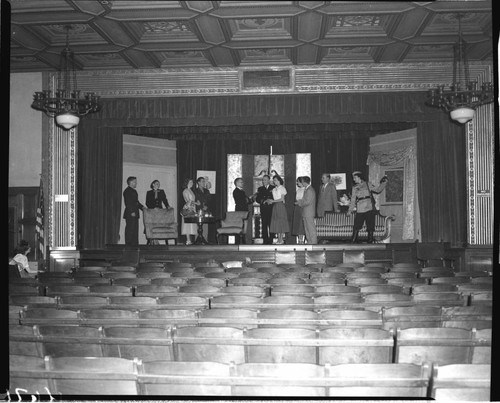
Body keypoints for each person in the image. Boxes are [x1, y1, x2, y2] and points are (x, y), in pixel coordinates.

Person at [347, 171, 388, 243]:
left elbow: (378, 190)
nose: (354, 179)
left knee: (370, 224)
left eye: (355, 177)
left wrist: (384, 183)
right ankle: (353, 241)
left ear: (359, 177)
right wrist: (350, 210)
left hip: (369, 206)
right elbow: (353, 200)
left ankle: (370, 240)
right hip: (360, 208)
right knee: (357, 225)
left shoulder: (367, 184)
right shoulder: (354, 187)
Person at [265, 174, 290, 245]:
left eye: (275, 180)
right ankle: (279, 239)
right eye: (274, 180)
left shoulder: (282, 188)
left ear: (279, 181)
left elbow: (282, 199)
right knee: (277, 222)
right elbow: (274, 198)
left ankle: (281, 239)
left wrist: (273, 201)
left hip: (280, 205)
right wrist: (269, 200)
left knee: (281, 221)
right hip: (275, 206)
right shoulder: (274, 189)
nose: (274, 182)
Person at [123, 176, 144, 246]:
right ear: (131, 182)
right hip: (130, 214)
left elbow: (136, 202)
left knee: (135, 231)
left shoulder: (134, 191)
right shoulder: (127, 191)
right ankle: (128, 246)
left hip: (135, 214)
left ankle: (135, 246)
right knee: (130, 230)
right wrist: (132, 211)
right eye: (135, 182)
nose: (136, 183)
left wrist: (143, 208)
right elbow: (128, 203)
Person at [296, 176, 318, 245]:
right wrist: (300, 201)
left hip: (309, 212)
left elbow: (307, 202)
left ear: (304, 182)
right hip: (306, 212)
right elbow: (305, 200)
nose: (301, 183)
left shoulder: (310, 190)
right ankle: (309, 241)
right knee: (306, 228)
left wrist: (299, 203)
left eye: (301, 181)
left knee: (310, 228)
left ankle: (313, 242)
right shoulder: (307, 189)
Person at [255, 174, 275, 245]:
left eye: (265, 180)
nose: (263, 181)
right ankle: (265, 240)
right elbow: (257, 198)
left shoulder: (274, 188)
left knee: (271, 224)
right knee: (264, 224)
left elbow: (276, 197)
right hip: (263, 208)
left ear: (269, 180)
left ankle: (272, 239)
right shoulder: (260, 189)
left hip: (271, 208)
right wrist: (263, 201)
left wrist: (271, 200)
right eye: (263, 180)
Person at [181, 178, 198, 245]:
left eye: (192, 182)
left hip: (192, 207)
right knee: (187, 224)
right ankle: (188, 240)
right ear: (187, 183)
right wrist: (196, 203)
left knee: (192, 224)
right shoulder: (185, 191)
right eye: (190, 182)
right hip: (188, 208)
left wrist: (195, 204)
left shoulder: (190, 190)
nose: (192, 183)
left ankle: (192, 240)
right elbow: (188, 201)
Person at [194, 176, 211, 241]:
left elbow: (210, 200)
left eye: (204, 181)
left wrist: (206, 206)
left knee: (205, 226)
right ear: (198, 182)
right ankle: (197, 240)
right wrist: (201, 206)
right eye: (203, 181)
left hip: (206, 210)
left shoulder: (207, 191)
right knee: (198, 226)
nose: (204, 183)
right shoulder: (195, 191)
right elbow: (195, 200)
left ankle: (205, 240)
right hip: (198, 210)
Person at [291, 177, 306, 244]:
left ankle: (302, 239)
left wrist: (299, 202)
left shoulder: (305, 190)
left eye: (298, 182)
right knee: (297, 223)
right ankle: (299, 239)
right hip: (297, 208)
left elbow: (304, 200)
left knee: (301, 224)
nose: (297, 183)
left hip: (302, 208)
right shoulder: (298, 190)